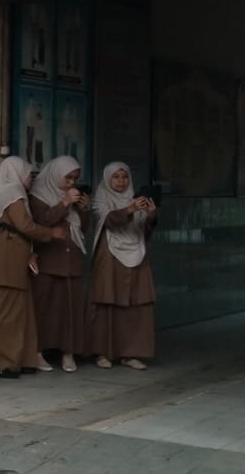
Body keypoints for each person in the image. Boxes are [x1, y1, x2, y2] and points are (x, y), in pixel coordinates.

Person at [0, 155, 64, 378]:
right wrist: (51, 233)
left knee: (21, 311)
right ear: (16, 173)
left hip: (14, 254)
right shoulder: (12, 192)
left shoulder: (10, 192)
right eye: (29, 175)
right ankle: (4, 362)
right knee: (7, 311)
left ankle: (21, 359)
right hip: (8, 256)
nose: (31, 179)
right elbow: (24, 225)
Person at [87, 161, 158, 370]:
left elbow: (146, 229)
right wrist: (130, 209)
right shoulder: (101, 198)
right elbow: (107, 220)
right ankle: (103, 352)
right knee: (107, 302)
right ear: (108, 179)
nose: (121, 181)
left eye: (124, 176)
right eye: (116, 177)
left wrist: (151, 215)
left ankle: (131, 353)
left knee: (136, 304)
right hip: (110, 255)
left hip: (137, 253)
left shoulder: (136, 197)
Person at [29, 155, 89, 373]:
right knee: (44, 309)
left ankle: (68, 352)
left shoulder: (71, 197)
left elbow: (82, 227)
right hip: (49, 259)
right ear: (55, 175)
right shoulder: (38, 196)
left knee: (70, 309)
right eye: (67, 177)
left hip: (70, 259)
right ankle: (38, 352)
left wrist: (82, 209)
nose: (71, 183)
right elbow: (42, 221)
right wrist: (64, 203)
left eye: (74, 178)